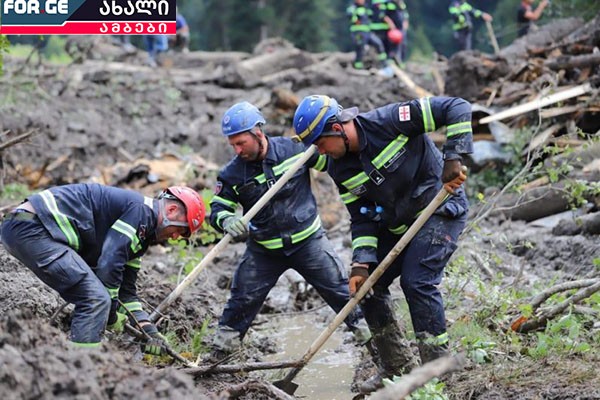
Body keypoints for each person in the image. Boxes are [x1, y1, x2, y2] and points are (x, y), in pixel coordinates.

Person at [292, 95, 472, 393]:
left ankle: (438, 370)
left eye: (320, 143)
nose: (319, 153)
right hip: (398, 225)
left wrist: (453, 157)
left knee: (417, 282)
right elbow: (361, 218)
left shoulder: (392, 121)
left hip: (439, 210)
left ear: (337, 128)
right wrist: (361, 264)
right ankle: (396, 367)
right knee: (367, 289)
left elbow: (457, 107)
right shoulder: (340, 169)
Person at [207, 101, 371, 359]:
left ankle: (375, 346)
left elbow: (334, 162)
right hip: (264, 250)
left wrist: (362, 187)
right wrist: (226, 220)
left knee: (343, 293)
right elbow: (217, 208)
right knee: (241, 301)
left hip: (309, 243)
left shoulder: (296, 149)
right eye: (233, 145)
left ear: (258, 133)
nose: (238, 150)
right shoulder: (232, 174)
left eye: (242, 143)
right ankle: (219, 357)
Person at [1, 184, 205, 351]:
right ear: (171, 210)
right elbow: (109, 262)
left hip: (27, 226)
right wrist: (111, 314)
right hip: (31, 227)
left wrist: (148, 330)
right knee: (95, 299)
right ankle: (80, 376)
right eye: (181, 229)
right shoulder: (141, 212)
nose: (177, 237)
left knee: (97, 297)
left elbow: (127, 291)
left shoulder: (140, 237)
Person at [347, 0, 387, 70]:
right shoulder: (352, 8)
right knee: (360, 49)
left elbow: (371, 17)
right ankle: (358, 67)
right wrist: (355, 18)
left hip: (367, 32)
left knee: (378, 44)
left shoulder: (366, 8)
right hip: (358, 32)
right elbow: (351, 18)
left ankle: (384, 64)